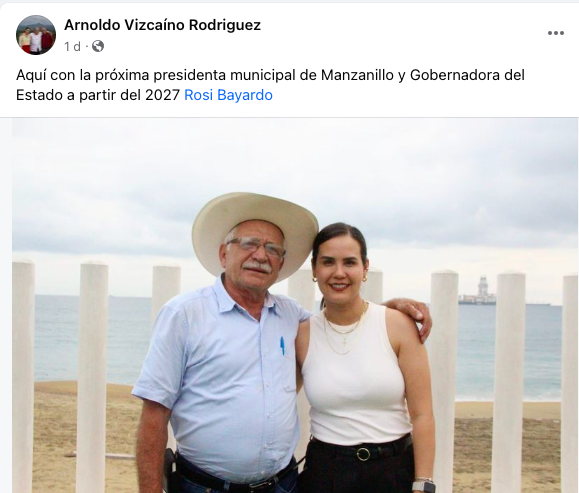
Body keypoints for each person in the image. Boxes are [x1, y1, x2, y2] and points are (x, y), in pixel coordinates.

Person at [132, 192, 432, 493]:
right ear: (223, 254)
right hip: (205, 486)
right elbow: (155, 412)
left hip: (283, 485)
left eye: (272, 249)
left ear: (281, 262)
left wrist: (389, 310)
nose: (261, 256)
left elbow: (346, 322)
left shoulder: (290, 316)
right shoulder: (184, 315)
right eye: (249, 244)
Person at [296, 223, 435, 493]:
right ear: (314, 269)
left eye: (350, 262)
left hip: (393, 471)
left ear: (365, 267)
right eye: (328, 262)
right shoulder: (301, 334)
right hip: (325, 474)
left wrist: (423, 484)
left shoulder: (399, 326)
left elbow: (422, 415)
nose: (339, 273)